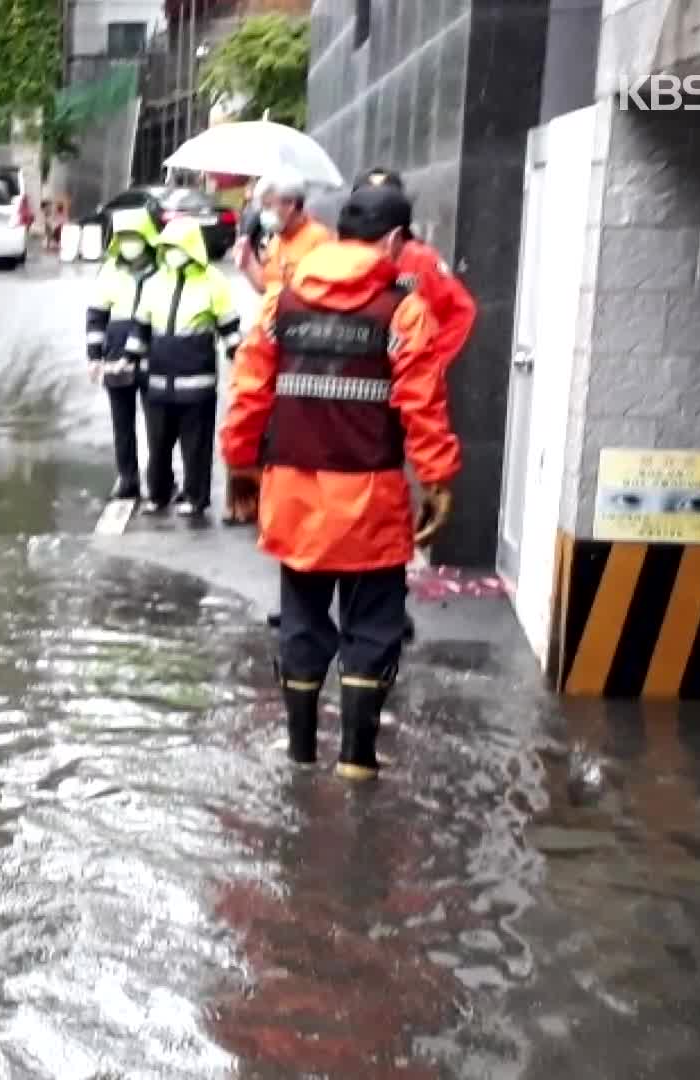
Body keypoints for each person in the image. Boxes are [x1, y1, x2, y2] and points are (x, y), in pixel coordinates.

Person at [220, 184, 459, 780]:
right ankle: (357, 762)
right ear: (395, 240)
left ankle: (300, 754)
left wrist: (240, 467)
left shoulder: (283, 302)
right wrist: (437, 479)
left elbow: (248, 393)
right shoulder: (401, 308)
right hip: (370, 501)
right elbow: (423, 404)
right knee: (373, 625)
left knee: (301, 620)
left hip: (294, 496)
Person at [125, 217, 242, 518]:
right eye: (166, 246)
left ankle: (196, 497)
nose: (171, 252)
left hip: (196, 381)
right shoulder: (154, 282)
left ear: (191, 247)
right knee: (158, 444)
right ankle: (159, 495)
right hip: (158, 381)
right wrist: (130, 359)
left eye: (176, 246)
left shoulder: (214, 281)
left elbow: (229, 327)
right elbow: (141, 326)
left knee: (196, 446)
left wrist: (238, 359)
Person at [354, 168, 478, 371]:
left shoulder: (421, 259)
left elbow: (461, 310)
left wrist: (431, 362)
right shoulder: (337, 259)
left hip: (404, 378)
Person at [84, 206, 162, 500]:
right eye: (124, 236)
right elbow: (96, 315)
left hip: (155, 356)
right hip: (117, 357)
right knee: (122, 423)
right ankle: (128, 478)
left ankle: (160, 480)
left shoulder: (163, 268)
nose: (129, 242)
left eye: (134, 236)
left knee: (159, 425)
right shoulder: (110, 270)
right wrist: (94, 357)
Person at [236, 176, 334, 296]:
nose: (263, 214)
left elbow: (321, 293)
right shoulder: (275, 241)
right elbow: (267, 287)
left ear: (290, 205)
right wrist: (247, 262)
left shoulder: (319, 239)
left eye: (267, 207)